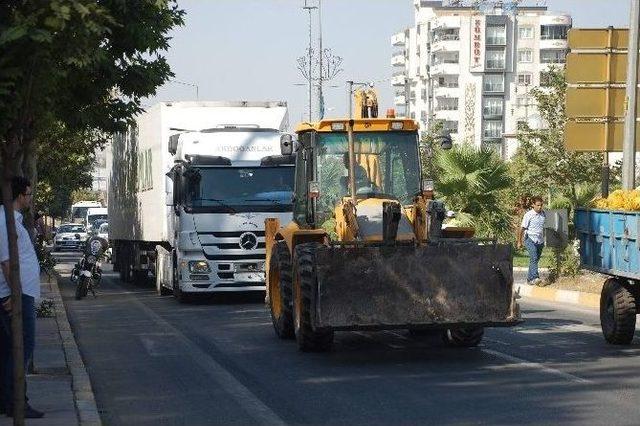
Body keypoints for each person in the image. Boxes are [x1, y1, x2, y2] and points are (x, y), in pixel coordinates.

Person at [0, 176, 44, 418]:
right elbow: (6, 262)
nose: (30, 198)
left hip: (20, 292)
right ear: (19, 196)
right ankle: (17, 402)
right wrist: (13, 295)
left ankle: (8, 400)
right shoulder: (5, 221)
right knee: (23, 348)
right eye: (29, 194)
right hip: (17, 295)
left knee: (10, 350)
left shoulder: (13, 220)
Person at [517, 196, 546, 285]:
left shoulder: (543, 214)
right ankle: (535, 278)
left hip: (540, 240)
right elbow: (522, 229)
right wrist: (519, 241)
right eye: (537, 205)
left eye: (541, 205)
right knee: (534, 257)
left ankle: (530, 279)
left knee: (535, 260)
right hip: (530, 239)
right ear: (533, 205)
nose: (539, 207)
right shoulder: (528, 215)